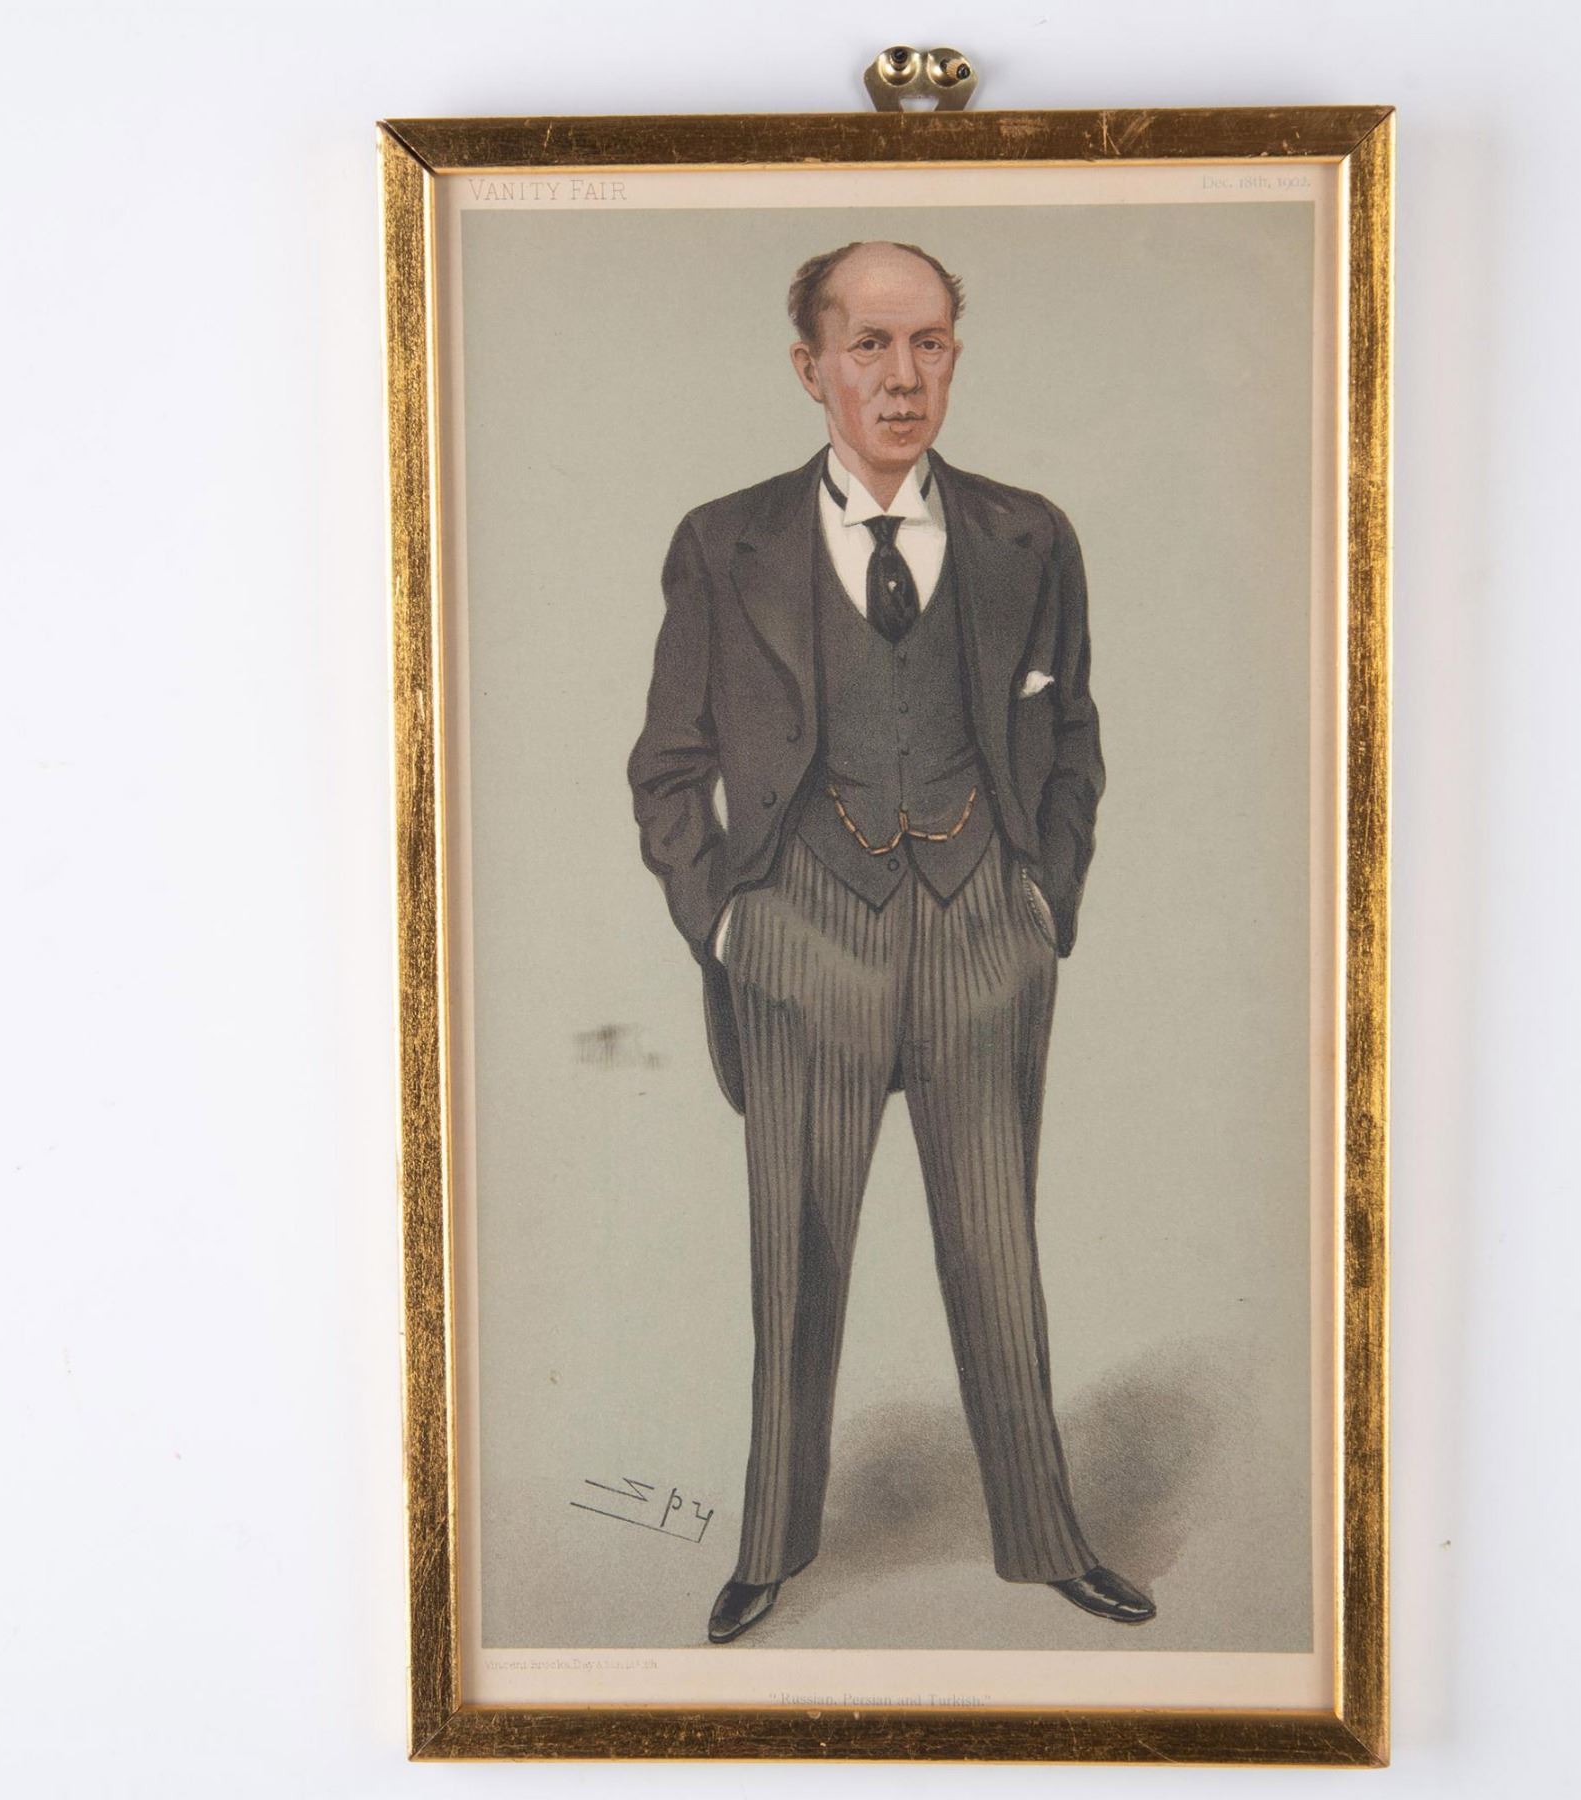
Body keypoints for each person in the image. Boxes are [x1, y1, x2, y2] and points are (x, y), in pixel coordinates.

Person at [628, 240, 1152, 1644]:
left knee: (998, 1251)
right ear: (812, 368)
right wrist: (729, 921)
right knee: (794, 1257)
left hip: (984, 928)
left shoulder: (1029, 536)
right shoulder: (723, 542)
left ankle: (1045, 1539)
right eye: (870, 345)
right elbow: (668, 767)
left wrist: (1045, 903)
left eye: (928, 344)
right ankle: (772, 1547)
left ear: (954, 358)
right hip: (803, 930)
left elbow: (1073, 740)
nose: (902, 377)